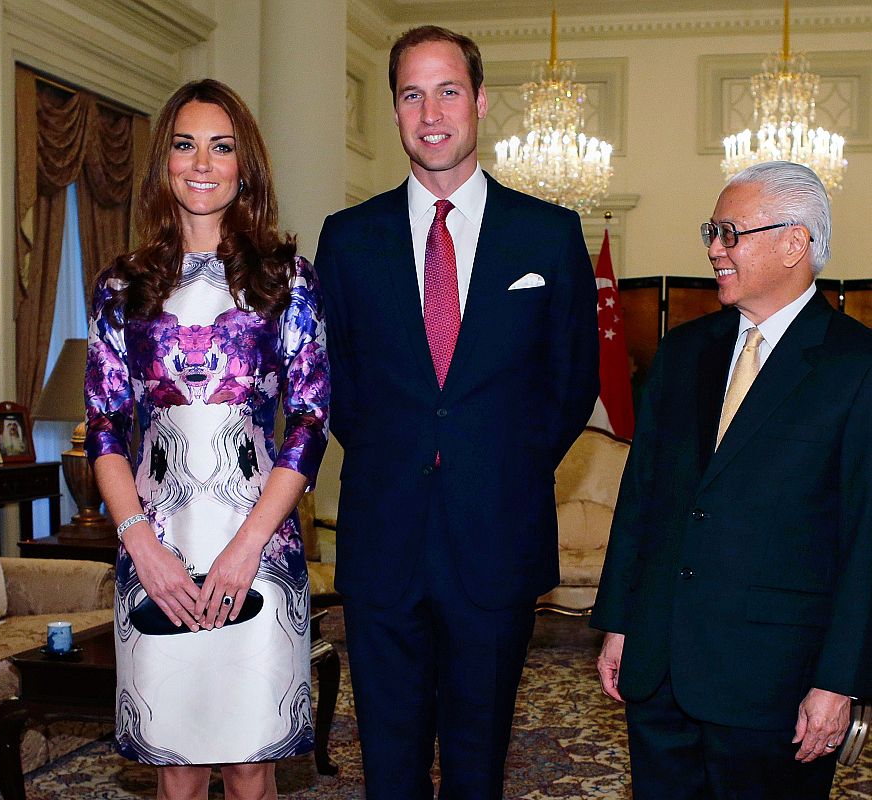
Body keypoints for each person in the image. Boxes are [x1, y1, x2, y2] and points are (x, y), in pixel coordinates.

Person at [315, 25, 598, 800]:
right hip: (383, 539)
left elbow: (573, 383)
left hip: (496, 538)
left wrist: (494, 462)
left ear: (478, 102)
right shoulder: (347, 239)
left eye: (447, 91)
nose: (430, 111)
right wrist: (400, 453)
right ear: (394, 110)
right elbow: (333, 380)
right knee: (390, 766)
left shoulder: (548, 233)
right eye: (412, 94)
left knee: (479, 766)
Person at [592, 160, 872, 799]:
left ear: (793, 242)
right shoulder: (685, 349)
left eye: (730, 232)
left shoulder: (857, 366)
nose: (714, 249)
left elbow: (867, 541)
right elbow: (643, 498)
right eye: (710, 231)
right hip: (660, 669)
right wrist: (620, 622)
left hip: (776, 685)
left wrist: (839, 683)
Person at [84, 79, 329, 800]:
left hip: (259, 549)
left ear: (243, 166)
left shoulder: (287, 280)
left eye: (221, 147)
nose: (202, 162)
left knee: (251, 764)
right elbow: (103, 423)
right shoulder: (122, 288)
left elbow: (311, 420)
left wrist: (249, 544)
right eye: (185, 145)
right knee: (177, 764)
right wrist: (140, 545)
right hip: (154, 548)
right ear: (164, 163)